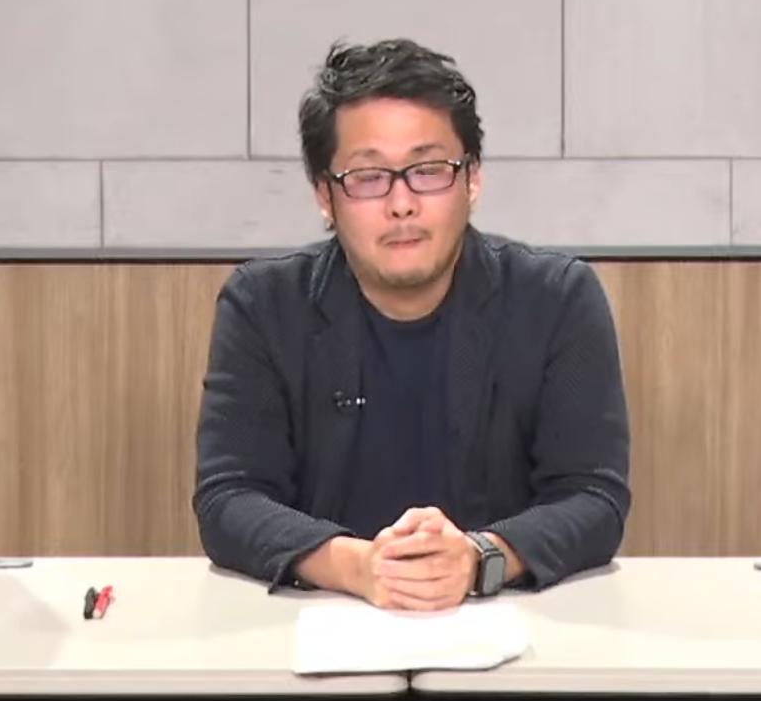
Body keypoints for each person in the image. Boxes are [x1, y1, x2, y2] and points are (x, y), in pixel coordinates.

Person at [194, 39, 631, 606]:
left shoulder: (557, 299)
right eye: (368, 176)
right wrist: (359, 567)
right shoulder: (263, 306)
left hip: (509, 624)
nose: (401, 203)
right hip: (319, 623)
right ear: (325, 195)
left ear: (472, 179)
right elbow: (229, 499)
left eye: (428, 171)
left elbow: (593, 498)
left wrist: (479, 558)